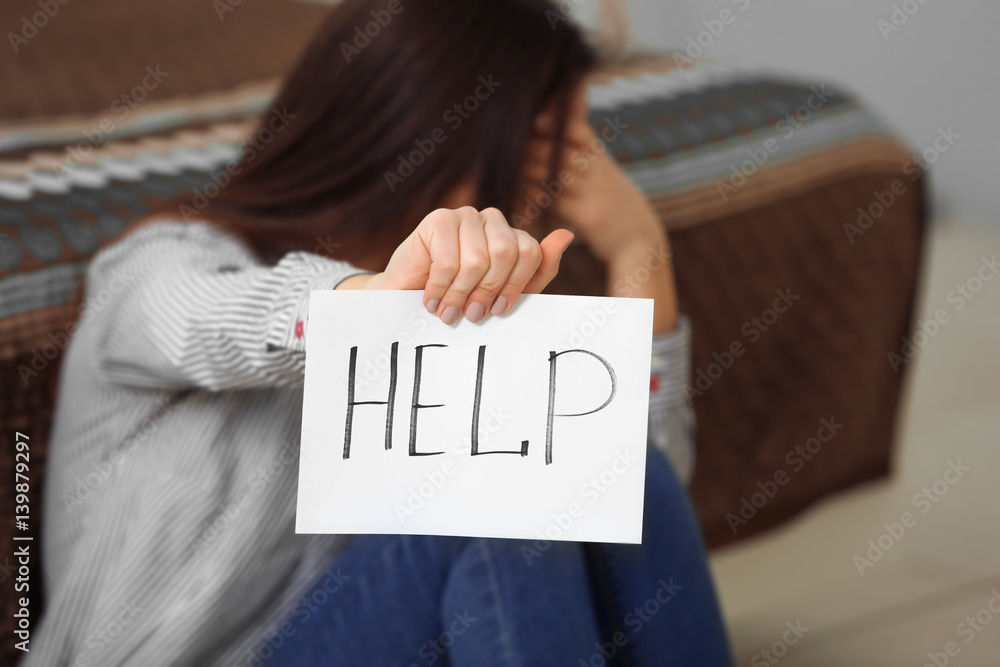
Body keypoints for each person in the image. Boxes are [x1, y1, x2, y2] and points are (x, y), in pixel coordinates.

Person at [32, 0, 732, 665]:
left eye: (576, 145)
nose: (554, 177)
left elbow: (634, 512)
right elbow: (206, 320)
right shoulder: (160, 263)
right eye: (544, 140)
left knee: (609, 461)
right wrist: (370, 303)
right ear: (429, 126)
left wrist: (639, 247)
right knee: (487, 494)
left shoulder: (468, 324)